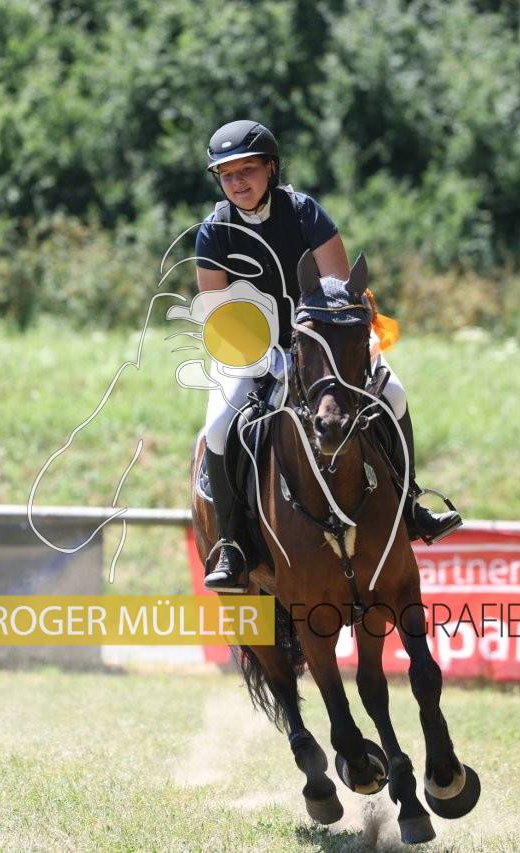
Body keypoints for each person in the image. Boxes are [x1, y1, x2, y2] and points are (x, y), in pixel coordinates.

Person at [195, 119, 462, 592]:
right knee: (218, 428)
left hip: (324, 344)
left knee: (395, 395)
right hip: (247, 349)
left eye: (247, 170)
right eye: (227, 175)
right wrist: (268, 359)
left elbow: (338, 295)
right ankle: (233, 545)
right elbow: (219, 313)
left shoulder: (304, 212)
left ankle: (410, 506)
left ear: (271, 168)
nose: (237, 183)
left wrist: (313, 352)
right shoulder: (214, 231)